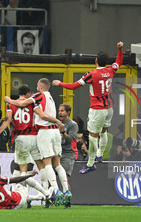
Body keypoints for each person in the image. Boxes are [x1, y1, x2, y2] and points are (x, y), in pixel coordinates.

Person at [53, 41, 124, 174]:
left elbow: (74, 86)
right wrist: (120, 49)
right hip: (109, 108)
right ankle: (100, 155)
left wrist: (60, 83)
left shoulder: (91, 74)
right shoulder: (110, 70)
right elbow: (119, 61)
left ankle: (91, 162)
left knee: (92, 136)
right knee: (104, 132)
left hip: (97, 110)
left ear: (96, 60)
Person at [4, 78, 70, 207]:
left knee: (46, 164)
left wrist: (9, 101)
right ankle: (66, 190)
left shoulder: (39, 96)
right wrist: (57, 122)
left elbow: (24, 105)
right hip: (55, 132)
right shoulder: (50, 97)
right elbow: (41, 112)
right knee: (57, 164)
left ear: (40, 86)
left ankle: (55, 191)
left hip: (44, 132)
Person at [0, 84, 62, 205]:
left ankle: (22, 197)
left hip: (21, 139)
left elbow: (7, 120)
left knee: (22, 170)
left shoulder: (11, 104)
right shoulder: (32, 103)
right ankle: (46, 193)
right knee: (42, 166)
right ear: (28, 93)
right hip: (34, 137)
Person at [58, 104, 78, 208]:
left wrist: (62, 131)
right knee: (48, 177)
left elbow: (69, 139)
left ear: (68, 112)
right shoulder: (57, 123)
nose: (60, 113)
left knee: (64, 179)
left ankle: (67, 202)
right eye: (59, 111)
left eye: (62, 111)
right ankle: (48, 200)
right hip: (57, 153)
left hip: (68, 154)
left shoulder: (73, 124)